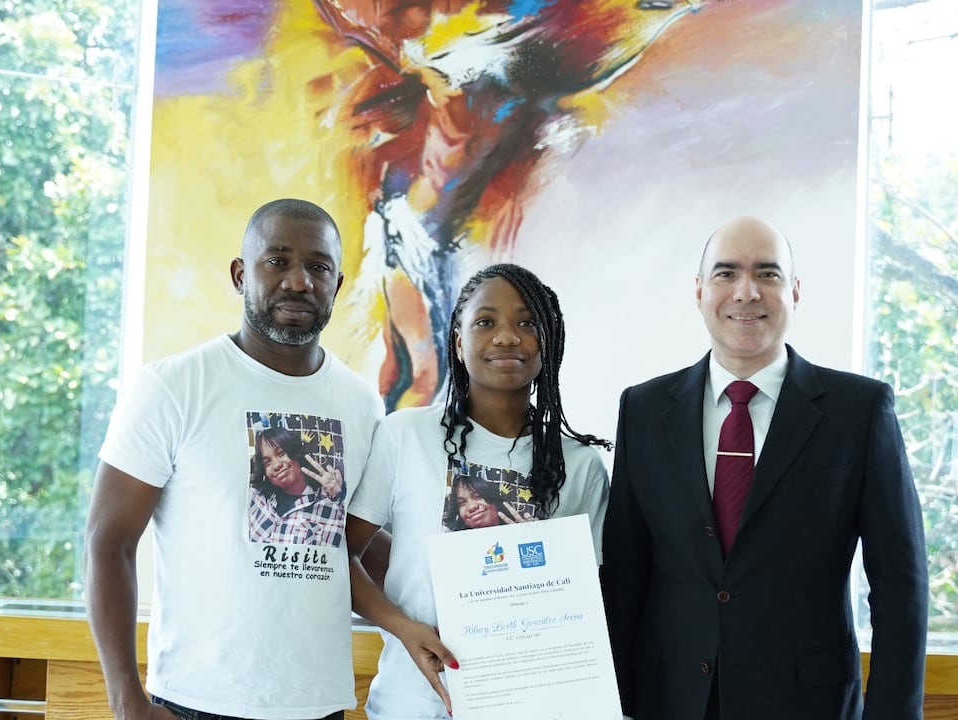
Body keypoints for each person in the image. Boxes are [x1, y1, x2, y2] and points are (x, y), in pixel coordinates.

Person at [600, 216, 928, 720]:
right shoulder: (643, 410)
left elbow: (900, 586)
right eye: (726, 273)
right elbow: (626, 575)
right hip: (670, 699)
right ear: (700, 290)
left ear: (795, 291)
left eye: (768, 275)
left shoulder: (858, 411)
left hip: (807, 703)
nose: (746, 292)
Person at [84, 198, 384, 720]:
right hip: (195, 701)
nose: (298, 281)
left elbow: (356, 544)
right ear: (241, 274)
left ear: (336, 286)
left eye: (318, 267)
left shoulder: (362, 404)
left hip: (319, 704)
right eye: (278, 261)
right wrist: (126, 700)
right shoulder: (174, 386)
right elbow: (107, 543)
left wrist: (471, 588)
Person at [346, 262, 612, 719]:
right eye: (485, 322)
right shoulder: (404, 435)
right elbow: (337, 554)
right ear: (457, 340)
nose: (506, 337)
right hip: (412, 707)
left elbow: (589, 601)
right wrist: (402, 627)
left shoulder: (582, 466)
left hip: (533, 706)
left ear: (550, 341)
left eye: (527, 322)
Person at [249, 425, 346, 546]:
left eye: (281, 453)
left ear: (296, 453)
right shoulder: (257, 499)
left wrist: (338, 497)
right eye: (267, 463)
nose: (276, 465)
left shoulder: (328, 504)